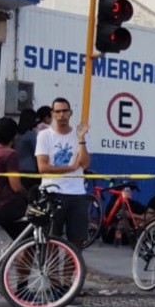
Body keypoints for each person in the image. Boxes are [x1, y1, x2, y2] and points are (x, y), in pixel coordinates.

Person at [36, 97, 91, 251]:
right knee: (51, 240)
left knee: (77, 242)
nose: (61, 115)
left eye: (65, 111)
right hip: (52, 192)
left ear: (70, 113)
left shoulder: (80, 134)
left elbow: (85, 164)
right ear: (53, 113)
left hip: (76, 193)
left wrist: (81, 139)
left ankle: (72, 268)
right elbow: (42, 167)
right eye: (58, 111)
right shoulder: (44, 135)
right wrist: (71, 168)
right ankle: (52, 268)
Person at [16, 105, 52, 189]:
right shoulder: (31, 135)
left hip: (17, 169)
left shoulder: (17, 135)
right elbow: (38, 152)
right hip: (30, 171)